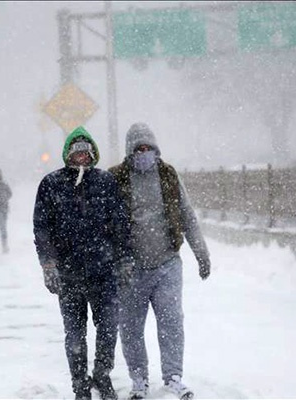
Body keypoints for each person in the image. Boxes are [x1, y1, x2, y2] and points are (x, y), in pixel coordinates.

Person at [108, 122, 212, 400]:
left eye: (148, 148)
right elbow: (102, 223)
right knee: (130, 327)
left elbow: (187, 216)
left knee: (171, 322)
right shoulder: (116, 178)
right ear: (130, 152)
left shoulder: (167, 175)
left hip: (166, 263)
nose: (144, 153)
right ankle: (139, 379)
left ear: (155, 149)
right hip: (130, 269)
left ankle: (173, 377)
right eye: (138, 149)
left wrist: (201, 253)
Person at [33, 126, 132, 400]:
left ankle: (102, 374)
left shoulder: (106, 182)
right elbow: (42, 229)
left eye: (85, 152)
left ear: (93, 154)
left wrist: (123, 260)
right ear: (68, 155)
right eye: (76, 153)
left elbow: (120, 226)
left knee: (109, 328)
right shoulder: (51, 184)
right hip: (69, 275)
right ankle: (80, 385)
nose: (81, 158)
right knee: (75, 335)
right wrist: (48, 265)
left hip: (103, 272)